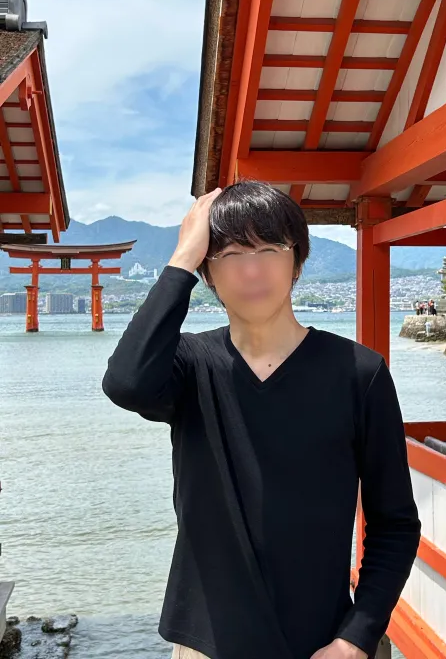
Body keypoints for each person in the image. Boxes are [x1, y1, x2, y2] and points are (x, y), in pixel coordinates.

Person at [102, 181, 420, 659]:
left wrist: (357, 637)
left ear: (297, 262)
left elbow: (395, 523)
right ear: (209, 273)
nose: (251, 270)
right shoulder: (189, 366)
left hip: (322, 643)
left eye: (269, 250)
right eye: (230, 255)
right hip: (206, 642)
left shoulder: (359, 373)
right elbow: (125, 383)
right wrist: (183, 256)